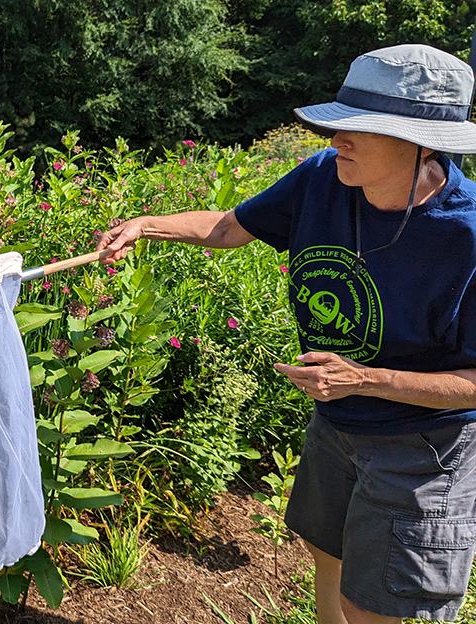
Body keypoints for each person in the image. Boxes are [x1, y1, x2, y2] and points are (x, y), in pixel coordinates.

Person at [96, 44, 476, 623]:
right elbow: (230, 228)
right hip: (339, 422)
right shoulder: (323, 178)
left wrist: (364, 379)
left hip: (423, 447)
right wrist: (147, 225)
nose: (334, 138)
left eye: (357, 129)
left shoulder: (466, 236)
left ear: (421, 142)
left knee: (379, 605)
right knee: (328, 555)